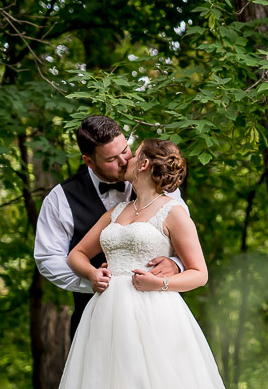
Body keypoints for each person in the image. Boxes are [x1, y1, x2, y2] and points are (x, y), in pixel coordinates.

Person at [27, 139, 268, 389]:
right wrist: (92, 274)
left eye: (132, 151)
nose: (126, 156)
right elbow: (76, 254)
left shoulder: (174, 211)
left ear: (143, 164)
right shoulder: (117, 211)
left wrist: (160, 282)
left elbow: (199, 273)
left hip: (155, 315)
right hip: (105, 318)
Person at [33, 115, 186, 337]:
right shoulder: (60, 199)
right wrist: (92, 280)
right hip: (95, 319)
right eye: (111, 159)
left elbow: (188, 246)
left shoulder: (164, 186)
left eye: (125, 150)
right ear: (89, 161)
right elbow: (48, 258)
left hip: (157, 316)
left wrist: (176, 265)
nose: (124, 161)